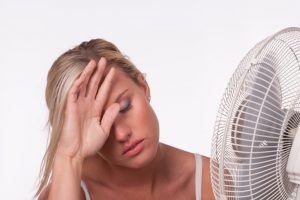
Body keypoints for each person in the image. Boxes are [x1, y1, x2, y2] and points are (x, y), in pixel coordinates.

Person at [36, 39, 215, 200]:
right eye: (100, 122)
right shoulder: (69, 192)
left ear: (144, 87)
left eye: (124, 106)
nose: (121, 133)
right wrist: (70, 156)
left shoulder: (212, 182)